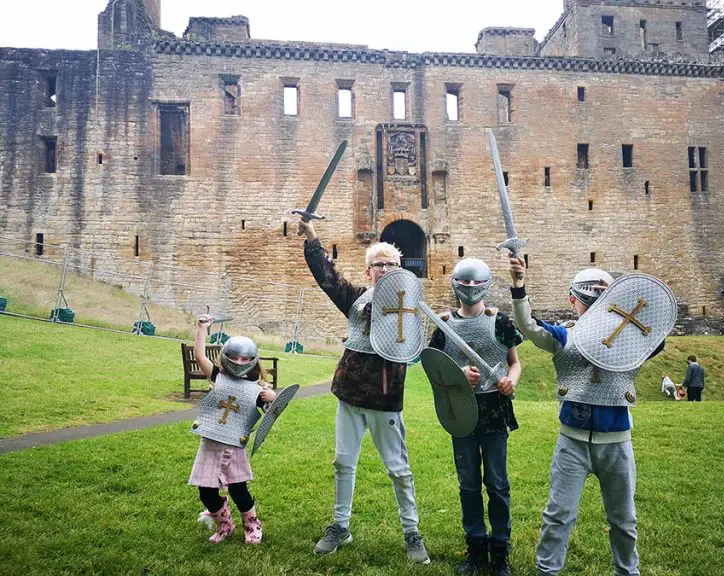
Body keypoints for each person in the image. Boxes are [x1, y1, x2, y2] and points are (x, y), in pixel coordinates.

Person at [508, 259, 666, 576]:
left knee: (624, 518)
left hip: (616, 442)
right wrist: (518, 285)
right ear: (572, 301)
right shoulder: (565, 337)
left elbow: (657, 336)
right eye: (586, 298)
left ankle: (627, 571)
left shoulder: (631, 339)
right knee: (558, 514)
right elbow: (528, 327)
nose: (591, 305)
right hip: (572, 442)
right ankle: (547, 571)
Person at [298, 217, 430, 564]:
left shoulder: (411, 307)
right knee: (343, 462)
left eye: (391, 265)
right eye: (378, 265)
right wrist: (312, 238)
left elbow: (427, 345)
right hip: (350, 394)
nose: (384, 269)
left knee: (398, 468)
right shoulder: (356, 299)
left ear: (400, 270)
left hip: (386, 398)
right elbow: (328, 278)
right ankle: (340, 525)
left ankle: (411, 531)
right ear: (368, 270)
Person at [428, 258, 523, 576]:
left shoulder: (500, 322)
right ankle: (475, 548)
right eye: (464, 283)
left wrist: (512, 380)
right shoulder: (443, 324)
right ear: (455, 284)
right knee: (468, 484)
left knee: (497, 483)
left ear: (485, 285)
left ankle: (500, 551)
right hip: (461, 411)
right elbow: (434, 370)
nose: (469, 289)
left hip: (494, 409)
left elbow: (514, 362)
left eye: (474, 284)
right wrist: (456, 376)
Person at [188, 315, 276, 544]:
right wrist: (201, 328)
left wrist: (273, 398)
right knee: (206, 491)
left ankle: (252, 525)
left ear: (253, 361)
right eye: (234, 357)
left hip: (234, 447)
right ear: (226, 358)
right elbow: (199, 356)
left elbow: (273, 411)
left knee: (239, 490)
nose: (238, 362)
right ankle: (224, 524)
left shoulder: (257, 390)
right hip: (210, 443)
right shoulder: (218, 378)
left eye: (245, 358)